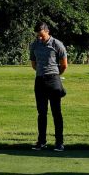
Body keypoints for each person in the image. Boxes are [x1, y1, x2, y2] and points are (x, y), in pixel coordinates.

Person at [29, 22, 67, 152]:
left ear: (47, 31)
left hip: (53, 80)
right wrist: (42, 72)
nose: (39, 38)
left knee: (56, 112)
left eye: (41, 35)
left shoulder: (57, 44)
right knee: (42, 113)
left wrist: (55, 74)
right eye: (37, 35)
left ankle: (59, 142)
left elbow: (64, 65)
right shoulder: (34, 45)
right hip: (40, 80)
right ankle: (42, 141)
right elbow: (34, 64)